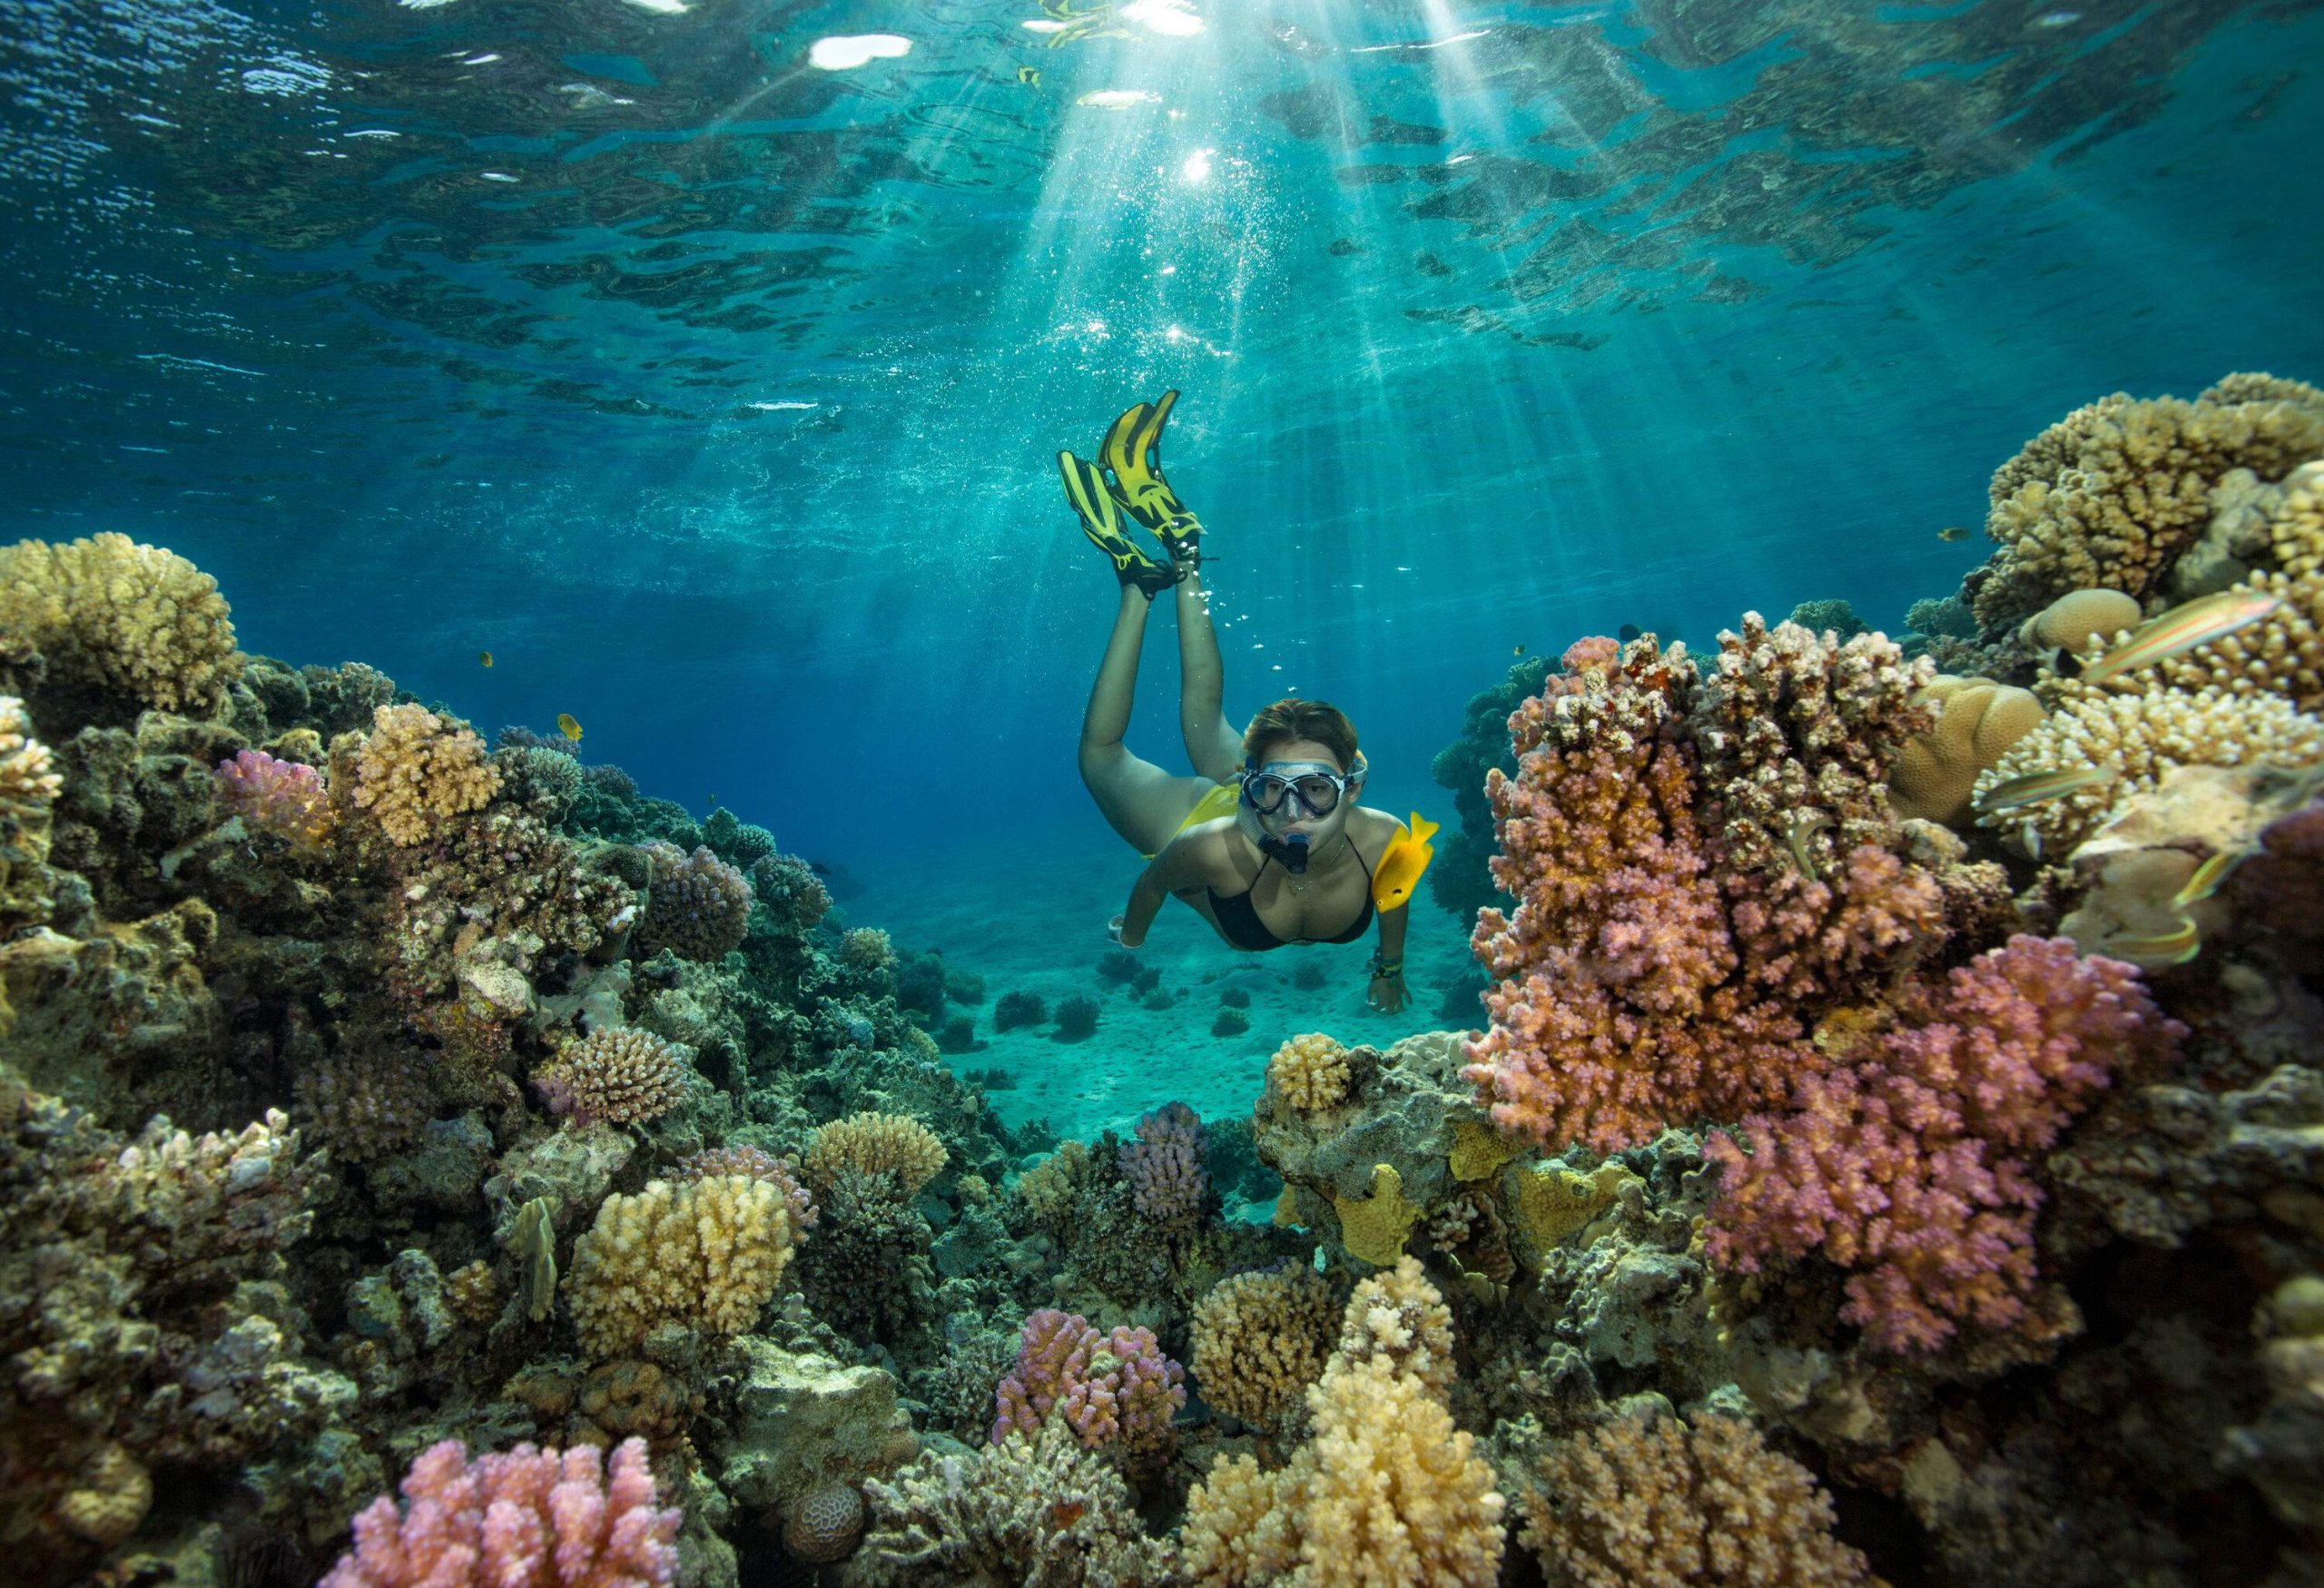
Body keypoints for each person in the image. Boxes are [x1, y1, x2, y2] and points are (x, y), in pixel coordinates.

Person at [1060, 391, 1410, 1015]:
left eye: (1317, 790)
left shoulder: (1386, 840)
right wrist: (1134, 933)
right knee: (1100, 756)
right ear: (1253, 784)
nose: (1294, 813)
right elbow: (1153, 882)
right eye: (1277, 789)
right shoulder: (1208, 845)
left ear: (1352, 786)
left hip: (1242, 800)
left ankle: (1180, 563)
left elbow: (1396, 895)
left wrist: (1389, 968)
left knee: (1202, 710)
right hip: (1205, 814)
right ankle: (1142, 591)